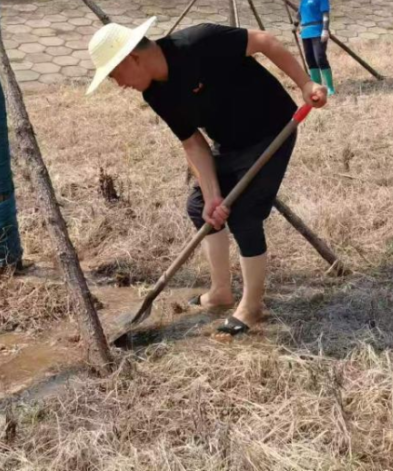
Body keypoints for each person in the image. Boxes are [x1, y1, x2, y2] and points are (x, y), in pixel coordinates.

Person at [86, 18, 327, 336]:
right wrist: (212, 194)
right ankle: (220, 292)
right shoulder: (155, 94)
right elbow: (192, 142)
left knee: (244, 214)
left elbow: (264, 41)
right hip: (228, 143)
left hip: (272, 132)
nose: (119, 84)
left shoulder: (198, 42)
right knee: (200, 206)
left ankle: (252, 306)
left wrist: (306, 84)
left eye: (114, 74)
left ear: (133, 58)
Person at [296, 0, 336, 96]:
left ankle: (330, 87)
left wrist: (325, 29)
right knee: (310, 59)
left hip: (318, 30)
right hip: (306, 32)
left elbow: (325, 14)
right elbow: (300, 14)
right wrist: (296, 24)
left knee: (320, 57)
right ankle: (317, 86)